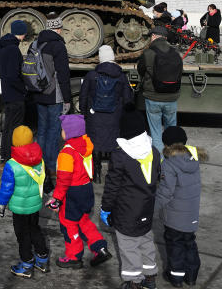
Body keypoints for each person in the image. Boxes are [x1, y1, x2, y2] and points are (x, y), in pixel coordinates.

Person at [100, 110, 161, 289]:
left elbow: (112, 186)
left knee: (128, 246)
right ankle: (150, 277)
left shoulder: (120, 156)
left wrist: (106, 207)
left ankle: (134, 281)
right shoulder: (154, 152)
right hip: (147, 208)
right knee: (146, 241)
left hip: (126, 211)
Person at [47, 114, 111, 269]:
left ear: (68, 133)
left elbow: (63, 180)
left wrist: (56, 198)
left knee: (69, 224)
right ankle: (100, 247)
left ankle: (73, 256)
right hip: (86, 189)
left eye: (63, 130)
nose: (61, 132)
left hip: (72, 192)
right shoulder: (86, 146)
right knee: (83, 220)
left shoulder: (66, 153)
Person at [0, 125, 50, 278]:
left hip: (19, 209)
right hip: (35, 207)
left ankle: (26, 264)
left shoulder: (11, 165)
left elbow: (6, 188)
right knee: (35, 229)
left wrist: (1, 204)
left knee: (23, 235)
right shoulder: (40, 160)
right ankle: (42, 259)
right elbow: (46, 181)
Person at [157, 126, 208, 287]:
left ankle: (176, 277)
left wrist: (150, 208)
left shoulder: (169, 164)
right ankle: (191, 276)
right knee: (190, 244)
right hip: (191, 216)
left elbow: (166, 192)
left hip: (174, 218)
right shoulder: (193, 160)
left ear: (166, 144)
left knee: (175, 247)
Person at [79, 44, 133, 183]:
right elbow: (127, 98)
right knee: (113, 142)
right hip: (114, 116)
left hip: (95, 116)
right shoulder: (121, 76)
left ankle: (96, 174)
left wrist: (84, 113)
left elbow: (83, 96)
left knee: (95, 143)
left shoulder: (91, 75)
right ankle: (112, 173)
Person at [31, 17, 73, 194]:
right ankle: (50, 167)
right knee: (54, 131)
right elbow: (63, 74)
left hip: (38, 93)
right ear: (57, 29)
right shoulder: (58, 46)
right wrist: (68, 97)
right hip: (54, 94)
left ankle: (38, 163)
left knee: (41, 129)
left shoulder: (34, 44)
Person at [137, 26, 183, 154]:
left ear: (154, 36)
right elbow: (180, 72)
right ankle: (173, 158)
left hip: (153, 97)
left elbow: (140, 70)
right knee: (172, 130)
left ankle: (160, 163)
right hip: (172, 97)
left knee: (155, 131)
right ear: (166, 38)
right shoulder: (176, 53)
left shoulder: (148, 53)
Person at [0, 19, 29, 167]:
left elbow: (0, 72)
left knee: (8, 126)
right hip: (16, 94)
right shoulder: (14, 50)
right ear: (22, 33)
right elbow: (14, 75)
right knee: (15, 128)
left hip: (7, 93)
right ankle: (11, 157)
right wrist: (23, 89)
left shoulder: (3, 47)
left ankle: (4, 156)